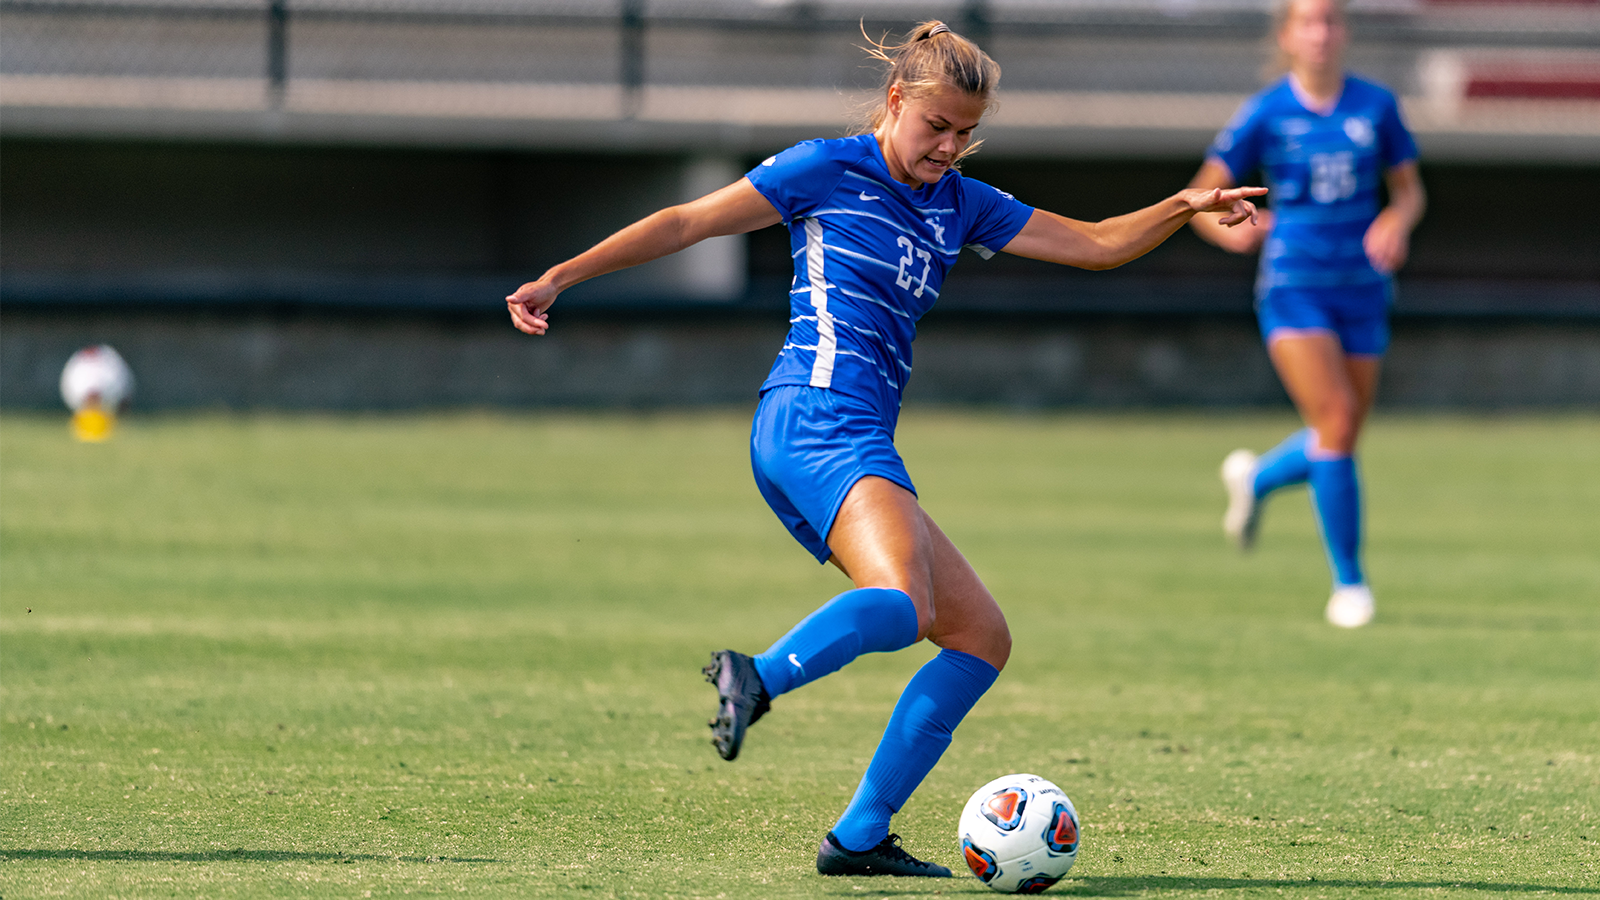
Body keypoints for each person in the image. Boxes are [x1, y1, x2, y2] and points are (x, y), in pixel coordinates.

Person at [507, 21, 1265, 877]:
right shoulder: (826, 168)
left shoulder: (961, 202)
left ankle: (860, 835)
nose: (949, 147)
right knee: (903, 604)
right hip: (815, 415)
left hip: (851, 432)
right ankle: (754, 676)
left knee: (979, 637)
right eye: (935, 127)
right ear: (896, 101)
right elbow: (688, 221)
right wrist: (560, 276)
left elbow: (1094, 245)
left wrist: (1183, 207)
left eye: (966, 134)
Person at [1189, 0, 1425, 629]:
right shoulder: (1267, 111)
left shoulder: (1375, 106)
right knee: (1338, 419)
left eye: (1331, 21)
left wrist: (1395, 221)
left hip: (1364, 290)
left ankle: (1258, 478)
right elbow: (1202, 195)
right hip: (1295, 288)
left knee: (1339, 434)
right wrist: (1228, 230)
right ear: (1288, 36)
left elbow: (1408, 192)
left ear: (1342, 33)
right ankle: (1350, 585)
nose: (1322, 34)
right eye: (1309, 22)